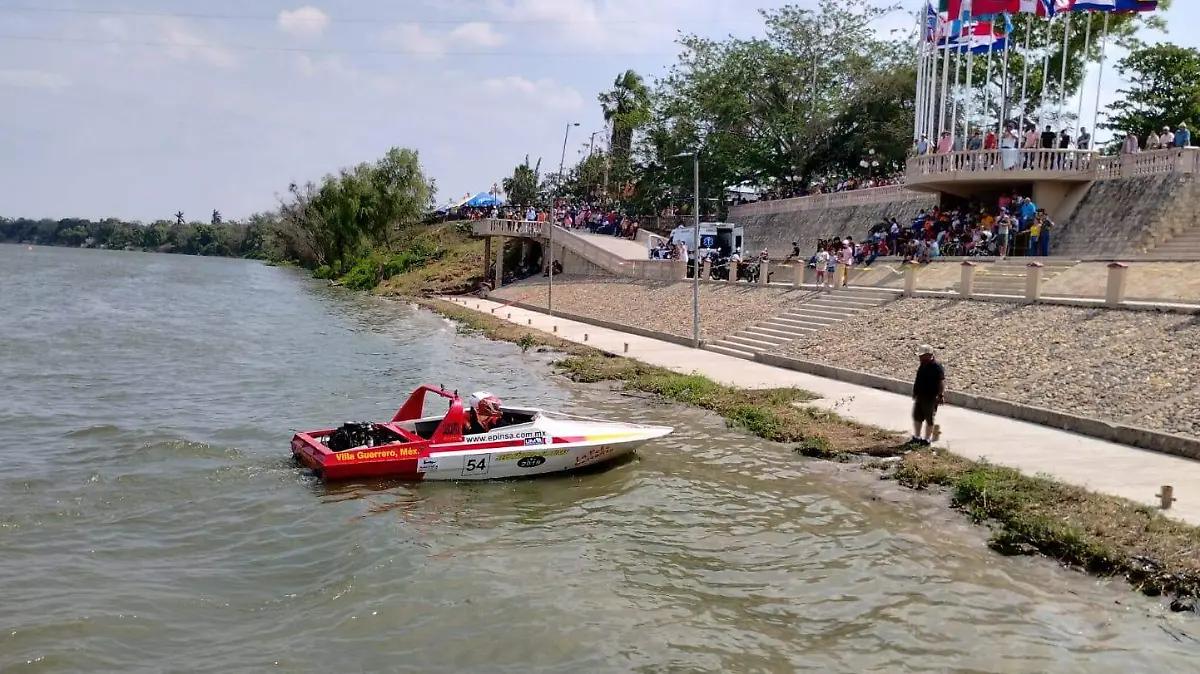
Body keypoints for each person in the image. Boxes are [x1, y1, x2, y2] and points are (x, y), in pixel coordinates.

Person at [911, 345, 945, 446]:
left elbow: (941, 382)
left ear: (928, 355)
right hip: (920, 396)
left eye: (922, 356)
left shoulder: (937, 367)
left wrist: (940, 395)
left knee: (929, 418)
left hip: (930, 397)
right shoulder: (922, 365)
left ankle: (926, 439)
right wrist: (915, 393)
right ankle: (917, 437)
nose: (919, 358)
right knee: (917, 417)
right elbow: (918, 380)